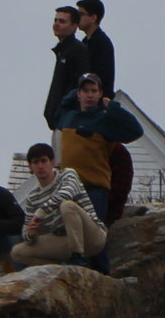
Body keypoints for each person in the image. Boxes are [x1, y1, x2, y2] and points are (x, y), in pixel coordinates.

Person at [53, 73, 142, 223]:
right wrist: (71, 95)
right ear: (79, 93)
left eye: (94, 91)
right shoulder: (67, 117)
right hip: (68, 189)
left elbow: (136, 131)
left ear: (100, 94)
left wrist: (113, 108)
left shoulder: (104, 120)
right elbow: (58, 111)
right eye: (85, 90)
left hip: (94, 191)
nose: (90, 95)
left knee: (93, 237)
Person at [11, 142, 107, 268]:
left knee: (67, 206)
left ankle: (78, 259)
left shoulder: (67, 174)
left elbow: (66, 193)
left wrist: (41, 212)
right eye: (35, 162)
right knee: (17, 252)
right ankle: (59, 269)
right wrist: (31, 233)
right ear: (30, 166)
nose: (40, 166)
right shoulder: (33, 198)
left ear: (52, 162)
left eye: (44, 161)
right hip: (64, 241)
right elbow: (26, 229)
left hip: (92, 236)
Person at [40, 5, 85, 130]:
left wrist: (62, 110)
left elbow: (78, 84)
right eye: (56, 20)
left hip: (68, 121)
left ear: (74, 25)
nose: (56, 24)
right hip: (58, 121)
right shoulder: (62, 51)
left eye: (62, 21)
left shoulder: (77, 50)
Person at [76, 0, 115, 99]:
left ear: (93, 17)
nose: (77, 18)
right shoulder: (85, 42)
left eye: (81, 14)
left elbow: (103, 77)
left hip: (96, 103)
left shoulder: (102, 42)